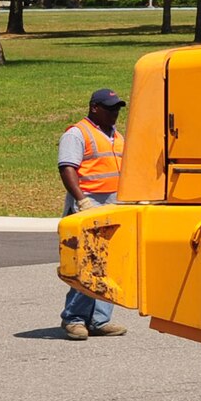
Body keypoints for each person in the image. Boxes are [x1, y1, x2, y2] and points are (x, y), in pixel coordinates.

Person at [57, 87, 129, 341]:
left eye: (118, 109)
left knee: (108, 267)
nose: (115, 114)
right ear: (94, 108)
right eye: (110, 109)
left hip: (113, 208)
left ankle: (99, 320)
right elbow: (67, 168)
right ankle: (74, 318)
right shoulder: (77, 134)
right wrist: (81, 200)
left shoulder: (116, 136)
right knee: (87, 265)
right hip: (87, 209)